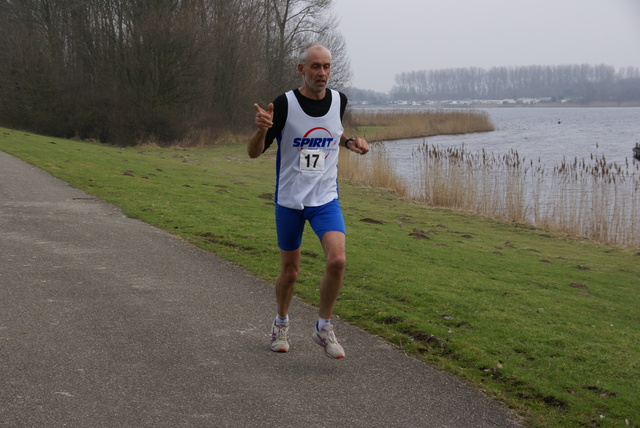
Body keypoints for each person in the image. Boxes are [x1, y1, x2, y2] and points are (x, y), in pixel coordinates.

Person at [248, 43, 369, 359]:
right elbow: (253, 152)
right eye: (315, 66)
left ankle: (323, 326)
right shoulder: (284, 104)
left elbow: (333, 130)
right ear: (301, 69)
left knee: (338, 260)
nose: (322, 73)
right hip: (289, 200)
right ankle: (281, 322)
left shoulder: (339, 100)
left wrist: (350, 141)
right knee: (290, 273)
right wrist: (260, 131)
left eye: (327, 66)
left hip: (325, 198)